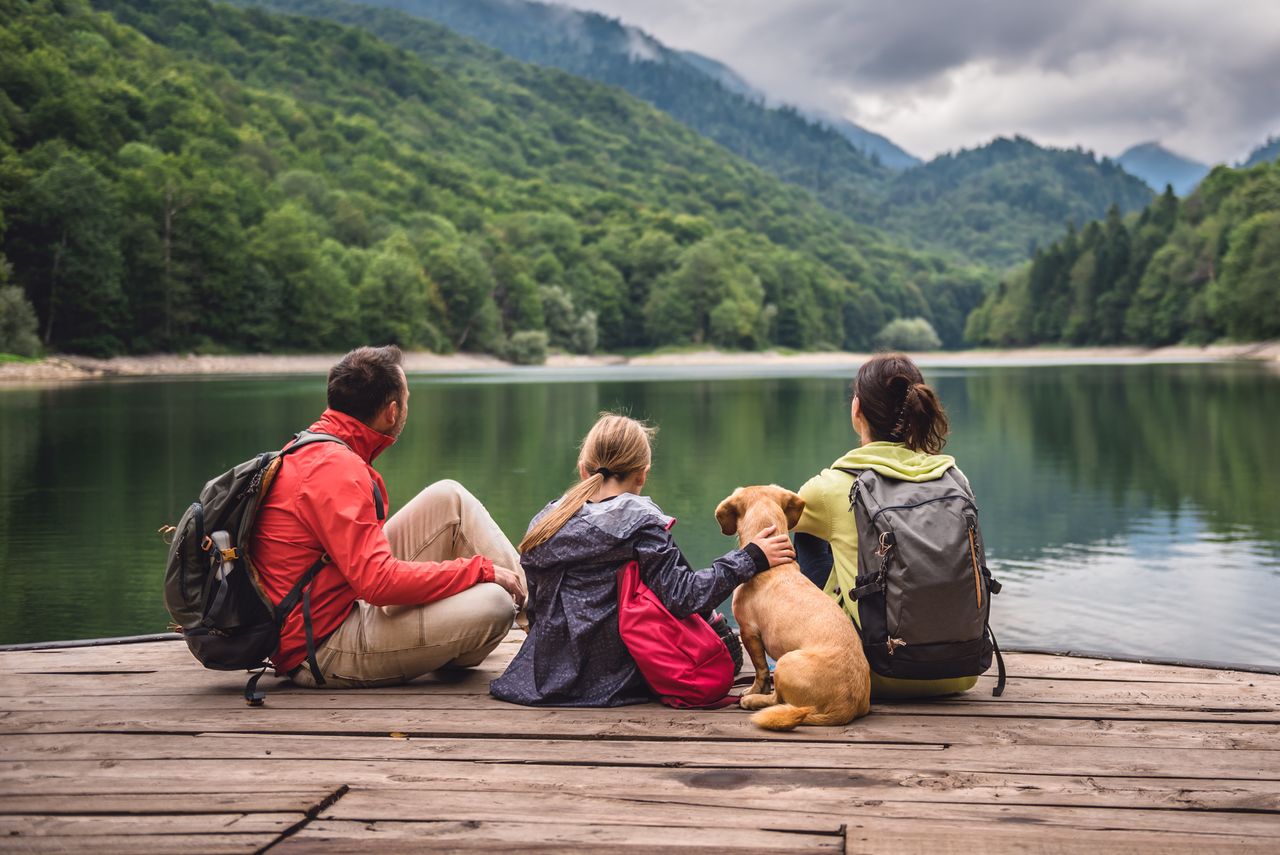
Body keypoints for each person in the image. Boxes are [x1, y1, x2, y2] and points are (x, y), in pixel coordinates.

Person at [252, 345, 527, 688]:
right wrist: (478, 570)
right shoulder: (337, 469)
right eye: (407, 399)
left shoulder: (314, 447)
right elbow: (378, 584)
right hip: (321, 647)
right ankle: (549, 630)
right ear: (392, 412)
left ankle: (544, 622)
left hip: (338, 598)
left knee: (449, 497)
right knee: (495, 604)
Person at [490, 413, 795, 707]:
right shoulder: (640, 524)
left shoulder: (546, 521)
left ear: (583, 469)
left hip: (544, 673)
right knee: (722, 640)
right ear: (642, 474)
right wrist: (749, 558)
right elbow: (685, 596)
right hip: (614, 676)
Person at [793, 352, 979, 698]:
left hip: (869, 672)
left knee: (805, 532)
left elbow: (771, 525)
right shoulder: (955, 478)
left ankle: (801, 652)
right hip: (962, 670)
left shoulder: (830, 487)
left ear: (856, 410)